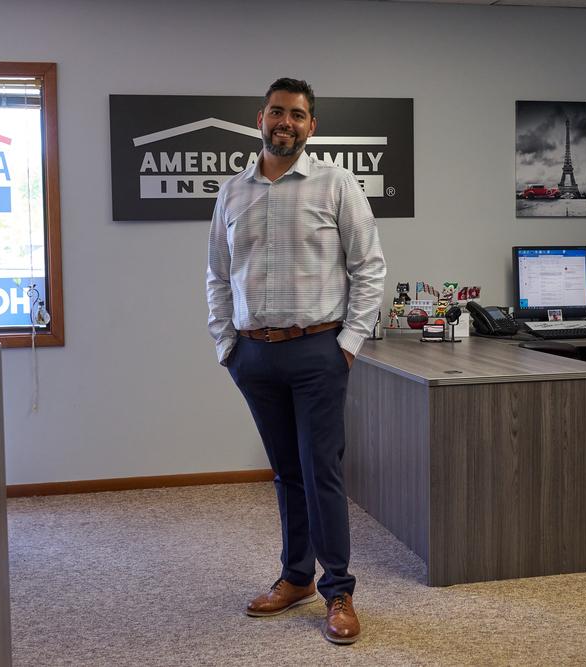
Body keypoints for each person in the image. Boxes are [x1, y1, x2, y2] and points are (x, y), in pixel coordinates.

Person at [206, 78, 385, 645]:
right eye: (277, 112)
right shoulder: (232, 193)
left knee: (320, 471)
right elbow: (216, 274)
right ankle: (295, 577)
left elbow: (369, 266)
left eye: (298, 115)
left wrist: (350, 343)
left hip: (317, 351)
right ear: (260, 118)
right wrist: (225, 345)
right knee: (285, 473)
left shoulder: (337, 185)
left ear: (312, 126)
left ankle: (339, 592)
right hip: (253, 355)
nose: (286, 122)